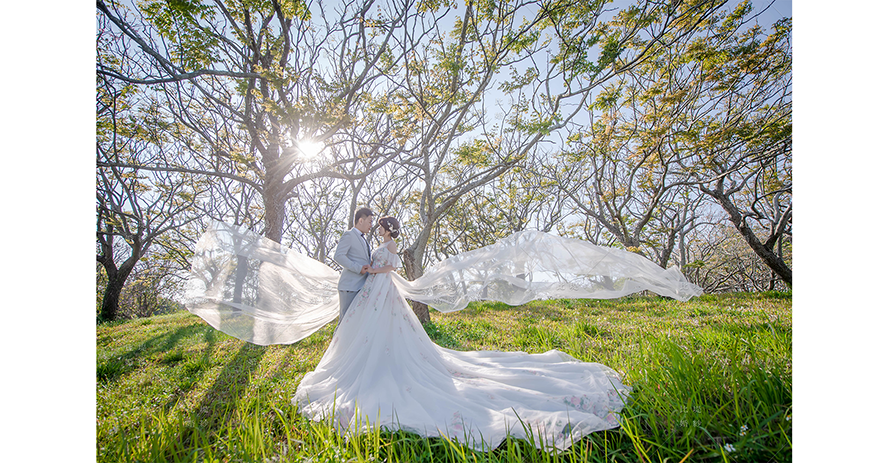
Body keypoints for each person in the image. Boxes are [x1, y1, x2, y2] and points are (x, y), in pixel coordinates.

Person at [292, 216, 631, 452]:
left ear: (386, 229)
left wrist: (372, 268)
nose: (378, 227)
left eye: (381, 225)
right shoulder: (367, 241)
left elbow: (391, 267)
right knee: (371, 330)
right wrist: (367, 269)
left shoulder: (390, 246)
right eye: (377, 224)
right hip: (372, 290)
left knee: (389, 332)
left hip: (381, 285)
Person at [333, 207, 374, 324]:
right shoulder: (349, 235)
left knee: (355, 324)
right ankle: (337, 343)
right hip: (349, 287)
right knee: (344, 323)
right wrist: (358, 268)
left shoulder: (364, 239)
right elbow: (338, 256)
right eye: (370, 221)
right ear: (361, 221)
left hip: (361, 286)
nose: (371, 225)